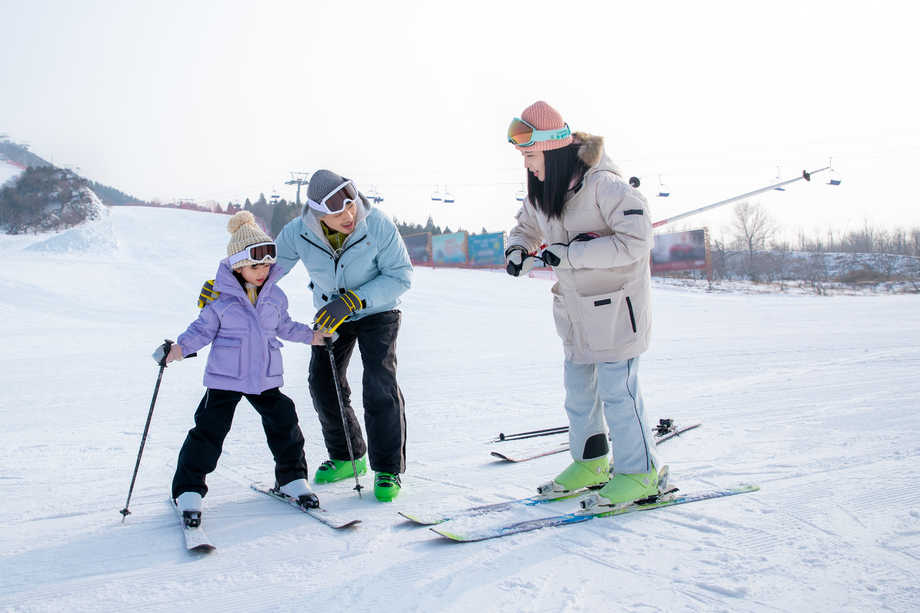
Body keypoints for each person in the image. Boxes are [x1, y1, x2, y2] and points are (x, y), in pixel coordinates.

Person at [504, 101, 662, 506]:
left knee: (618, 393)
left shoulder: (604, 185)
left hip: (616, 311)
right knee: (579, 392)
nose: (527, 165)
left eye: (531, 156)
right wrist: (518, 250)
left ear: (554, 152)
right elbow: (526, 226)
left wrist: (572, 255)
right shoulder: (543, 190)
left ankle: (641, 472)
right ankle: (592, 462)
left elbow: (638, 241)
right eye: (523, 157)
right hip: (575, 312)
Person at [164, 210, 329, 524]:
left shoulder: (275, 297)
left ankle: (292, 479)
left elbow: (286, 327)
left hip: (264, 377)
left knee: (284, 419)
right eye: (255, 265)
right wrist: (178, 349)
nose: (263, 271)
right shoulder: (221, 299)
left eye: (267, 264)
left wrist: (313, 337)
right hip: (226, 378)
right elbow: (201, 331)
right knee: (209, 431)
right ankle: (188, 489)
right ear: (238, 265)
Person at [275, 169, 412, 502]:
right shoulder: (298, 233)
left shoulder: (377, 225)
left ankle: (387, 468)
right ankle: (347, 456)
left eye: (351, 205)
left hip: (377, 310)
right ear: (319, 214)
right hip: (329, 313)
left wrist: (352, 300)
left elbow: (401, 276)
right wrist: (228, 285)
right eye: (337, 212)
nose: (349, 215)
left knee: (379, 383)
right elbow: (265, 269)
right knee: (322, 383)